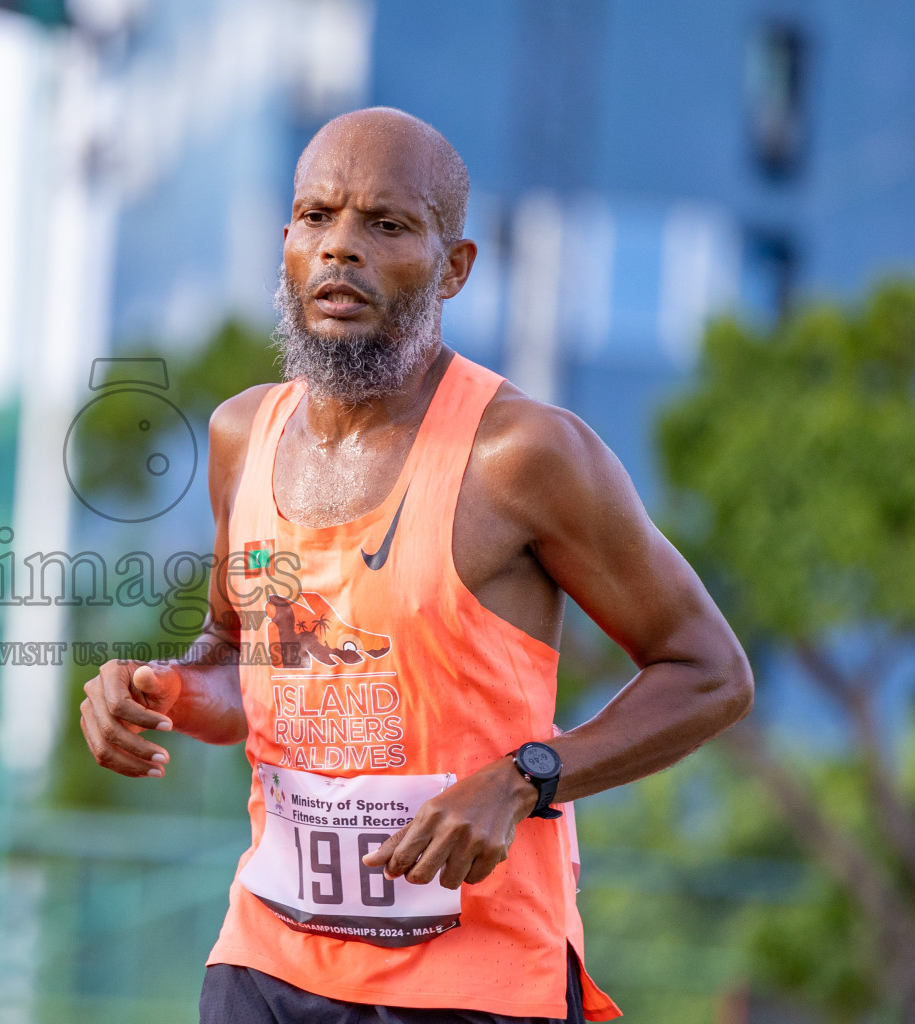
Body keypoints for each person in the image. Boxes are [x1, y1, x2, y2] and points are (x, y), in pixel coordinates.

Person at [78, 107, 753, 1024]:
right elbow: (242, 658)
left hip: (474, 986)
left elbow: (710, 673)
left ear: (455, 267)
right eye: (317, 218)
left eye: (385, 225)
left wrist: (524, 779)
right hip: (269, 964)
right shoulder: (243, 436)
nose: (340, 250)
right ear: (286, 244)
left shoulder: (520, 456)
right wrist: (164, 689)